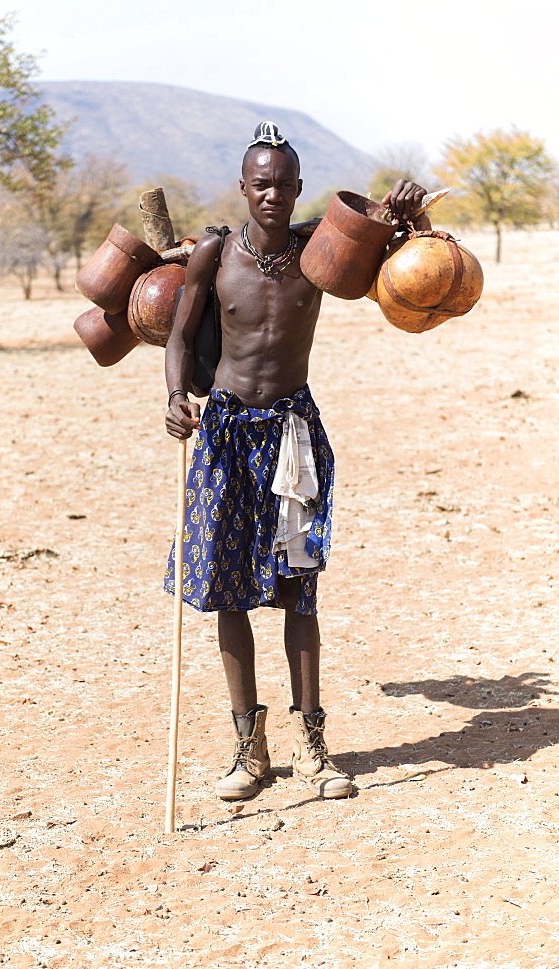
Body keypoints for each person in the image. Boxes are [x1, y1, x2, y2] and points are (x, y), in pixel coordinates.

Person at [164, 121, 427, 801]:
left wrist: (410, 213)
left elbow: (404, 260)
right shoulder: (213, 256)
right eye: (261, 183)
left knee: (297, 586)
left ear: (300, 188)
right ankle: (248, 750)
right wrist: (173, 397)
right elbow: (179, 335)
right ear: (243, 188)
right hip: (223, 431)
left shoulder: (321, 253)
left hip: (293, 431)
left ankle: (313, 747)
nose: (272, 194)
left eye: (284, 183)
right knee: (227, 589)